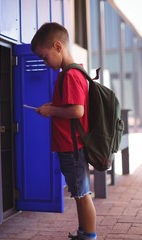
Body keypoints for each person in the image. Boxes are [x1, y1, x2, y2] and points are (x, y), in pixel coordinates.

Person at [31, 22, 97, 240]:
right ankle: (83, 232)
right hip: (70, 146)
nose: (44, 62)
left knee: (82, 194)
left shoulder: (69, 75)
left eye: (44, 56)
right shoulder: (71, 73)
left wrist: (51, 110)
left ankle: (89, 236)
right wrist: (53, 106)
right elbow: (71, 106)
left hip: (72, 146)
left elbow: (77, 111)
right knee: (78, 193)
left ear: (58, 46)